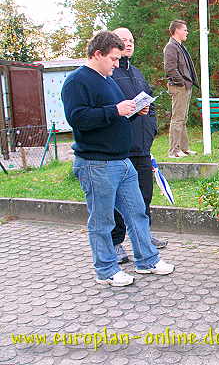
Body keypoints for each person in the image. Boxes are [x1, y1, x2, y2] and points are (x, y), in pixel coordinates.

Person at [62, 31, 174, 287]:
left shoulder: (108, 79)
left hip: (123, 161)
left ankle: (147, 260)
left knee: (137, 213)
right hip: (96, 163)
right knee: (102, 220)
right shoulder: (77, 81)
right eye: (113, 58)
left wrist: (134, 111)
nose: (116, 63)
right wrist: (115, 110)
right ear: (97, 54)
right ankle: (106, 270)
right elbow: (78, 119)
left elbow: (115, 116)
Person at [111, 27, 168, 265]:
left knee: (145, 196)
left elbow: (150, 103)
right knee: (118, 200)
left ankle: (144, 237)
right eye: (124, 40)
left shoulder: (137, 73)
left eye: (132, 40)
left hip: (143, 147)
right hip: (121, 149)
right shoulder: (110, 76)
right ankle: (115, 243)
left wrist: (151, 127)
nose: (129, 44)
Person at [163, 19, 198, 158]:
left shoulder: (179, 46)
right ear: (177, 30)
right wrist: (182, 83)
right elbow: (170, 69)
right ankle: (174, 151)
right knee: (177, 119)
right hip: (179, 87)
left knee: (183, 118)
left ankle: (184, 148)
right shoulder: (171, 47)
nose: (187, 32)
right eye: (185, 29)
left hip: (184, 86)